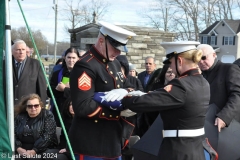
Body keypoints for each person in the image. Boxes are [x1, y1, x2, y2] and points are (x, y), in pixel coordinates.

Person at [114, 41, 211, 160]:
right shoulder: (203, 82)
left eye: (171, 63)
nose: (171, 68)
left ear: (179, 61)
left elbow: (146, 103)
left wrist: (124, 97)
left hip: (178, 150)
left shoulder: (181, 85)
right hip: (196, 149)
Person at [68, 21, 136, 160]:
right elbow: (83, 106)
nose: (118, 52)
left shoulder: (115, 63)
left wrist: (125, 92)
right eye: (115, 47)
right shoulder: (85, 65)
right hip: (91, 143)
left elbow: (131, 86)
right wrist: (118, 110)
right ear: (101, 40)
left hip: (113, 141)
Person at [197, 44, 240, 159]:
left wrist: (224, 116)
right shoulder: (199, 76)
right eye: (198, 59)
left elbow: (237, 94)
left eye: (204, 57)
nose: (201, 61)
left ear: (214, 55)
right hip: (207, 128)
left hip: (227, 127)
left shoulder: (229, 68)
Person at [14, 93, 58, 160]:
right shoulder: (20, 117)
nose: (33, 108)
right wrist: (18, 148)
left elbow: (48, 136)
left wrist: (34, 150)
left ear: (41, 106)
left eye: (36, 105)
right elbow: (12, 134)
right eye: (30, 106)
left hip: (43, 150)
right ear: (26, 108)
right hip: (22, 150)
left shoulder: (47, 115)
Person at [47, 47, 80, 127]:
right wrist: (57, 89)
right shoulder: (57, 73)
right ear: (64, 58)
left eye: (73, 58)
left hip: (74, 113)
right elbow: (49, 92)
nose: (71, 60)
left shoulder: (82, 75)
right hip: (59, 111)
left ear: (78, 59)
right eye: (69, 57)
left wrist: (65, 89)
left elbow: (80, 94)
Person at [10, 40, 47, 105]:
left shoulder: (37, 65)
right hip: (8, 105)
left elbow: (42, 88)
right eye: (18, 50)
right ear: (12, 51)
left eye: (23, 49)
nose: (21, 52)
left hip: (28, 107)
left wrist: (42, 106)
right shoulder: (4, 64)